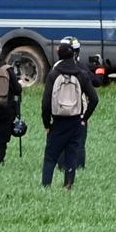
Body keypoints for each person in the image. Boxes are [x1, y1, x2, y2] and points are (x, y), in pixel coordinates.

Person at [40, 36, 98, 190]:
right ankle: (68, 186)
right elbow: (94, 99)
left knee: (50, 156)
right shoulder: (81, 73)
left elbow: (45, 103)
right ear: (74, 54)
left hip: (57, 121)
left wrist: (47, 124)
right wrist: (84, 118)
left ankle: (46, 186)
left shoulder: (53, 73)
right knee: (72, 155)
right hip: (75, 121)